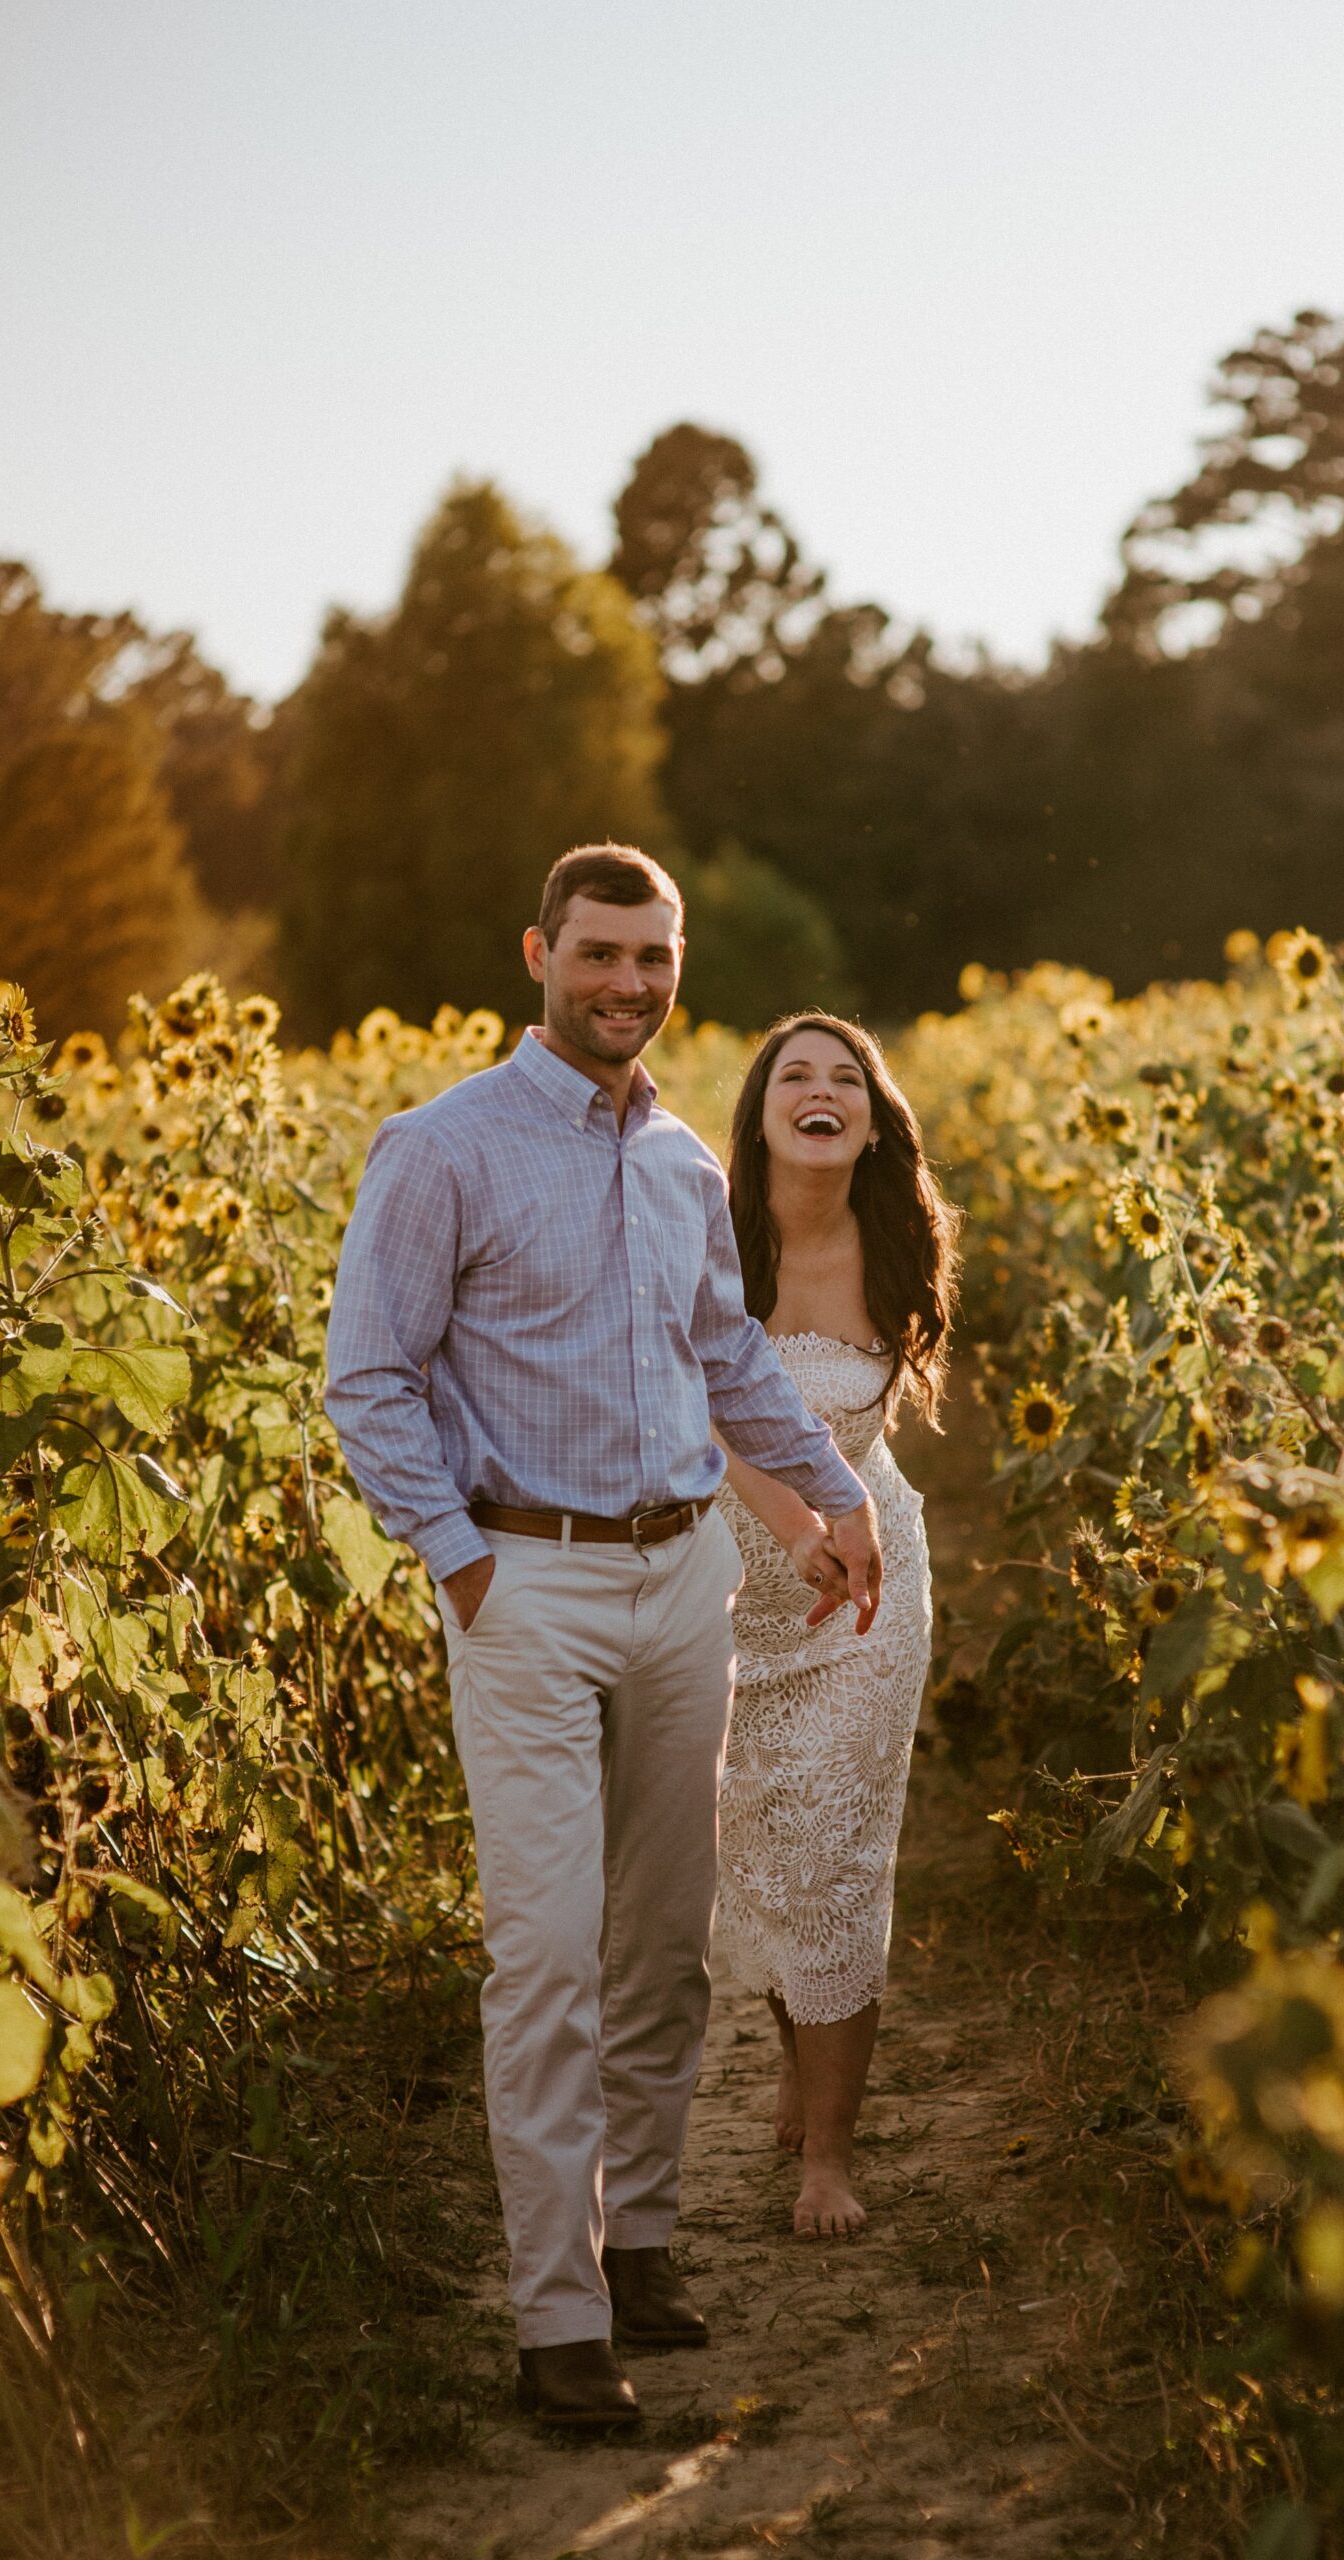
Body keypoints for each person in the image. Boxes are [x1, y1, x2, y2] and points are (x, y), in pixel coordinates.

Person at [324, 849, 883, 2431]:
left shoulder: (684, 1166)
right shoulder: (442, 1149)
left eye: (654, 956)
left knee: (662, 1947)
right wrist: (460, 1564)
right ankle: (557, 2322)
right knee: (550, 1955)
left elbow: (728, 1358)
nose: (628, 982)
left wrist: (832, 1492)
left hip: (679, 1573)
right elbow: (366, 1374)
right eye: (599, 953)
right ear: (539, 954)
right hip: (527, 1583)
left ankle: (638, 2238)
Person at [713, 1014, 958, 2238]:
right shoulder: (714, 1240)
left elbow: (869, 1445)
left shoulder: (899, 1242)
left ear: (870, 1122)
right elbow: (712, 1422)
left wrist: (834, 1532)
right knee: (758, 1848)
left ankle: (830, 2155)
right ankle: (796, 2057)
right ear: (759, 1115)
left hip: (866, 1587)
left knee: (836, 1855)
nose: (820, 1091)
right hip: (736, 1590)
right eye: (794, 1076)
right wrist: (797, 1523)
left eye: (844, 1079)